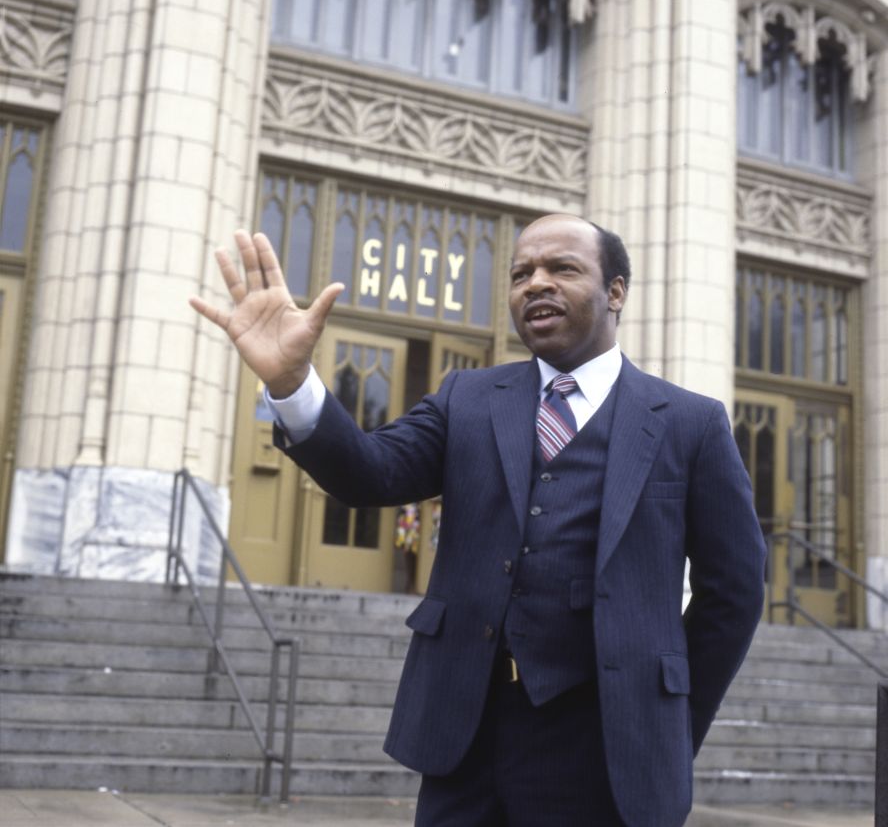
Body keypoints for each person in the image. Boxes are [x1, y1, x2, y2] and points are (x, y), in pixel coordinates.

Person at [190, 214, 766, 827]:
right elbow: (370, 472)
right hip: (468, 737)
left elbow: (731, 594)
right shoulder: (466, 397)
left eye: (562, 269)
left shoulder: (689, 422)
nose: (535, 283)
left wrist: (667, 721)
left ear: (616, 292)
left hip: (609, 748)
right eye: (521, 274)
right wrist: (292, 383)